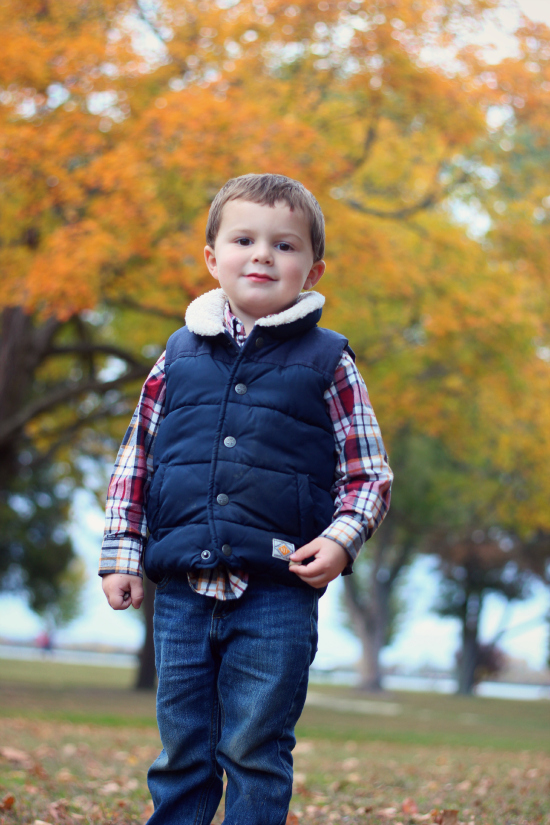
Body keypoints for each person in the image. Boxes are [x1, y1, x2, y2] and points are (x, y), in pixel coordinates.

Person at [99, 173, 393, 825]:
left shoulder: (329, 361)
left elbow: (369, 473)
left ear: (312, 270)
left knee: (256, 749)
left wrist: (342, 540)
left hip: (277, 592)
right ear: (212, 258)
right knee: (183, 750)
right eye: (243, 238)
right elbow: (136, 458)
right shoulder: (176, 356)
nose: (262, 254)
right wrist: (122, 552)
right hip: (181, 593)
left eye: (284, 245)